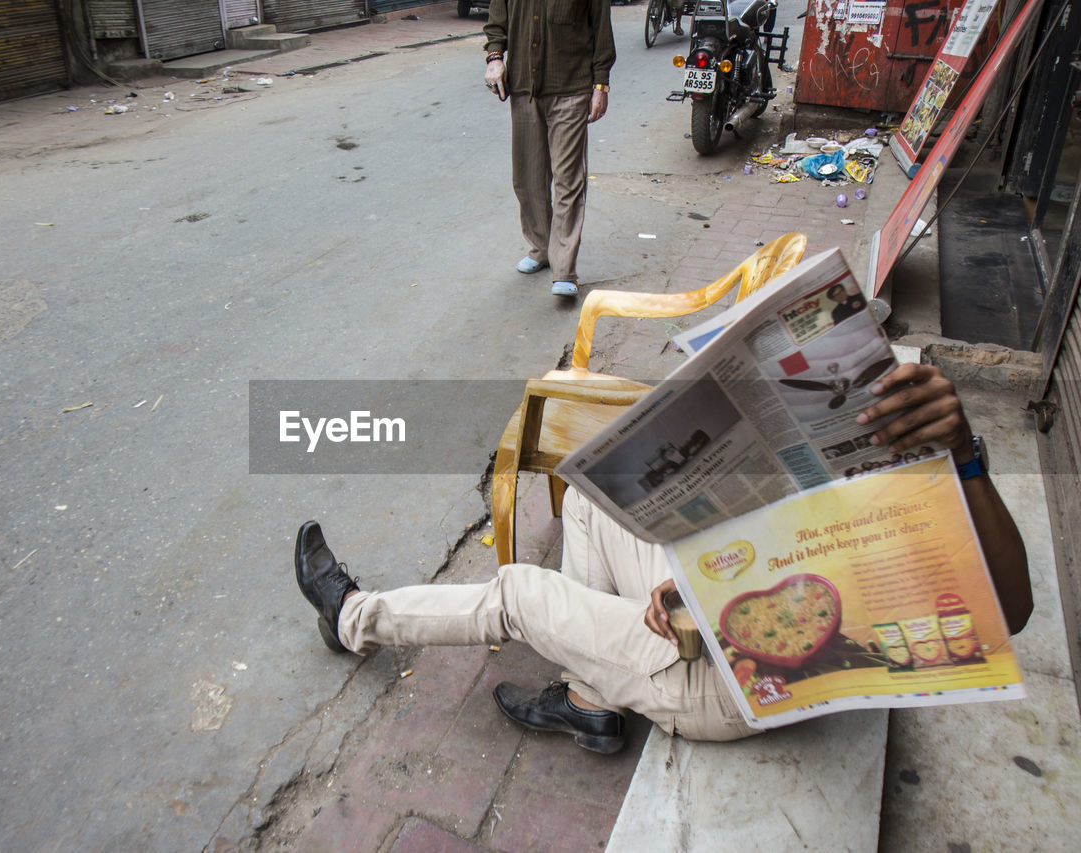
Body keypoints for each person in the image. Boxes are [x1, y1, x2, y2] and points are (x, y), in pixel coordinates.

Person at [295, 364, 1033, 752]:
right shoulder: (842, 480)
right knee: (588, 495)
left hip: (728, 686)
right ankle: (591, 700)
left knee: (519, 591)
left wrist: (963, 459)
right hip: (705, 619)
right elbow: (776, 548)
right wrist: (691, 575)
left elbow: (1015, 611)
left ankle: (353, 617)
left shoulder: (937, 489)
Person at [483, 0, 616, 298]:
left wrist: (600, 86)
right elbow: (496, 22)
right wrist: (495, 58)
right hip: (523, 89)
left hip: (572, 88)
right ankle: (541, 248)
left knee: (568, 179)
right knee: (527, 178)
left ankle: (564, 269)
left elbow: (602, 32)